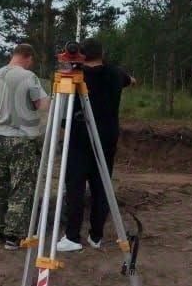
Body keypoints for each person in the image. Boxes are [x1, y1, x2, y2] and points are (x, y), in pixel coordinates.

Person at [57, 37, 136, 252]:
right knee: (101, 186)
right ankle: (96, 235)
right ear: (102, 53)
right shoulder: (115, 73)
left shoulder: (76, 76)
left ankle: (72, 236)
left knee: (75, 187)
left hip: (79, 138)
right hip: (107, 137)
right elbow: (131, 80)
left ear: (81, 53)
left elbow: (62, 109)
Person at [0, 43, 50, 250]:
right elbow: (42, 105)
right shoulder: (28, 77)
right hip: (22, 138)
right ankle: (13, 236)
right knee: (21, 186)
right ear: (28, 57)